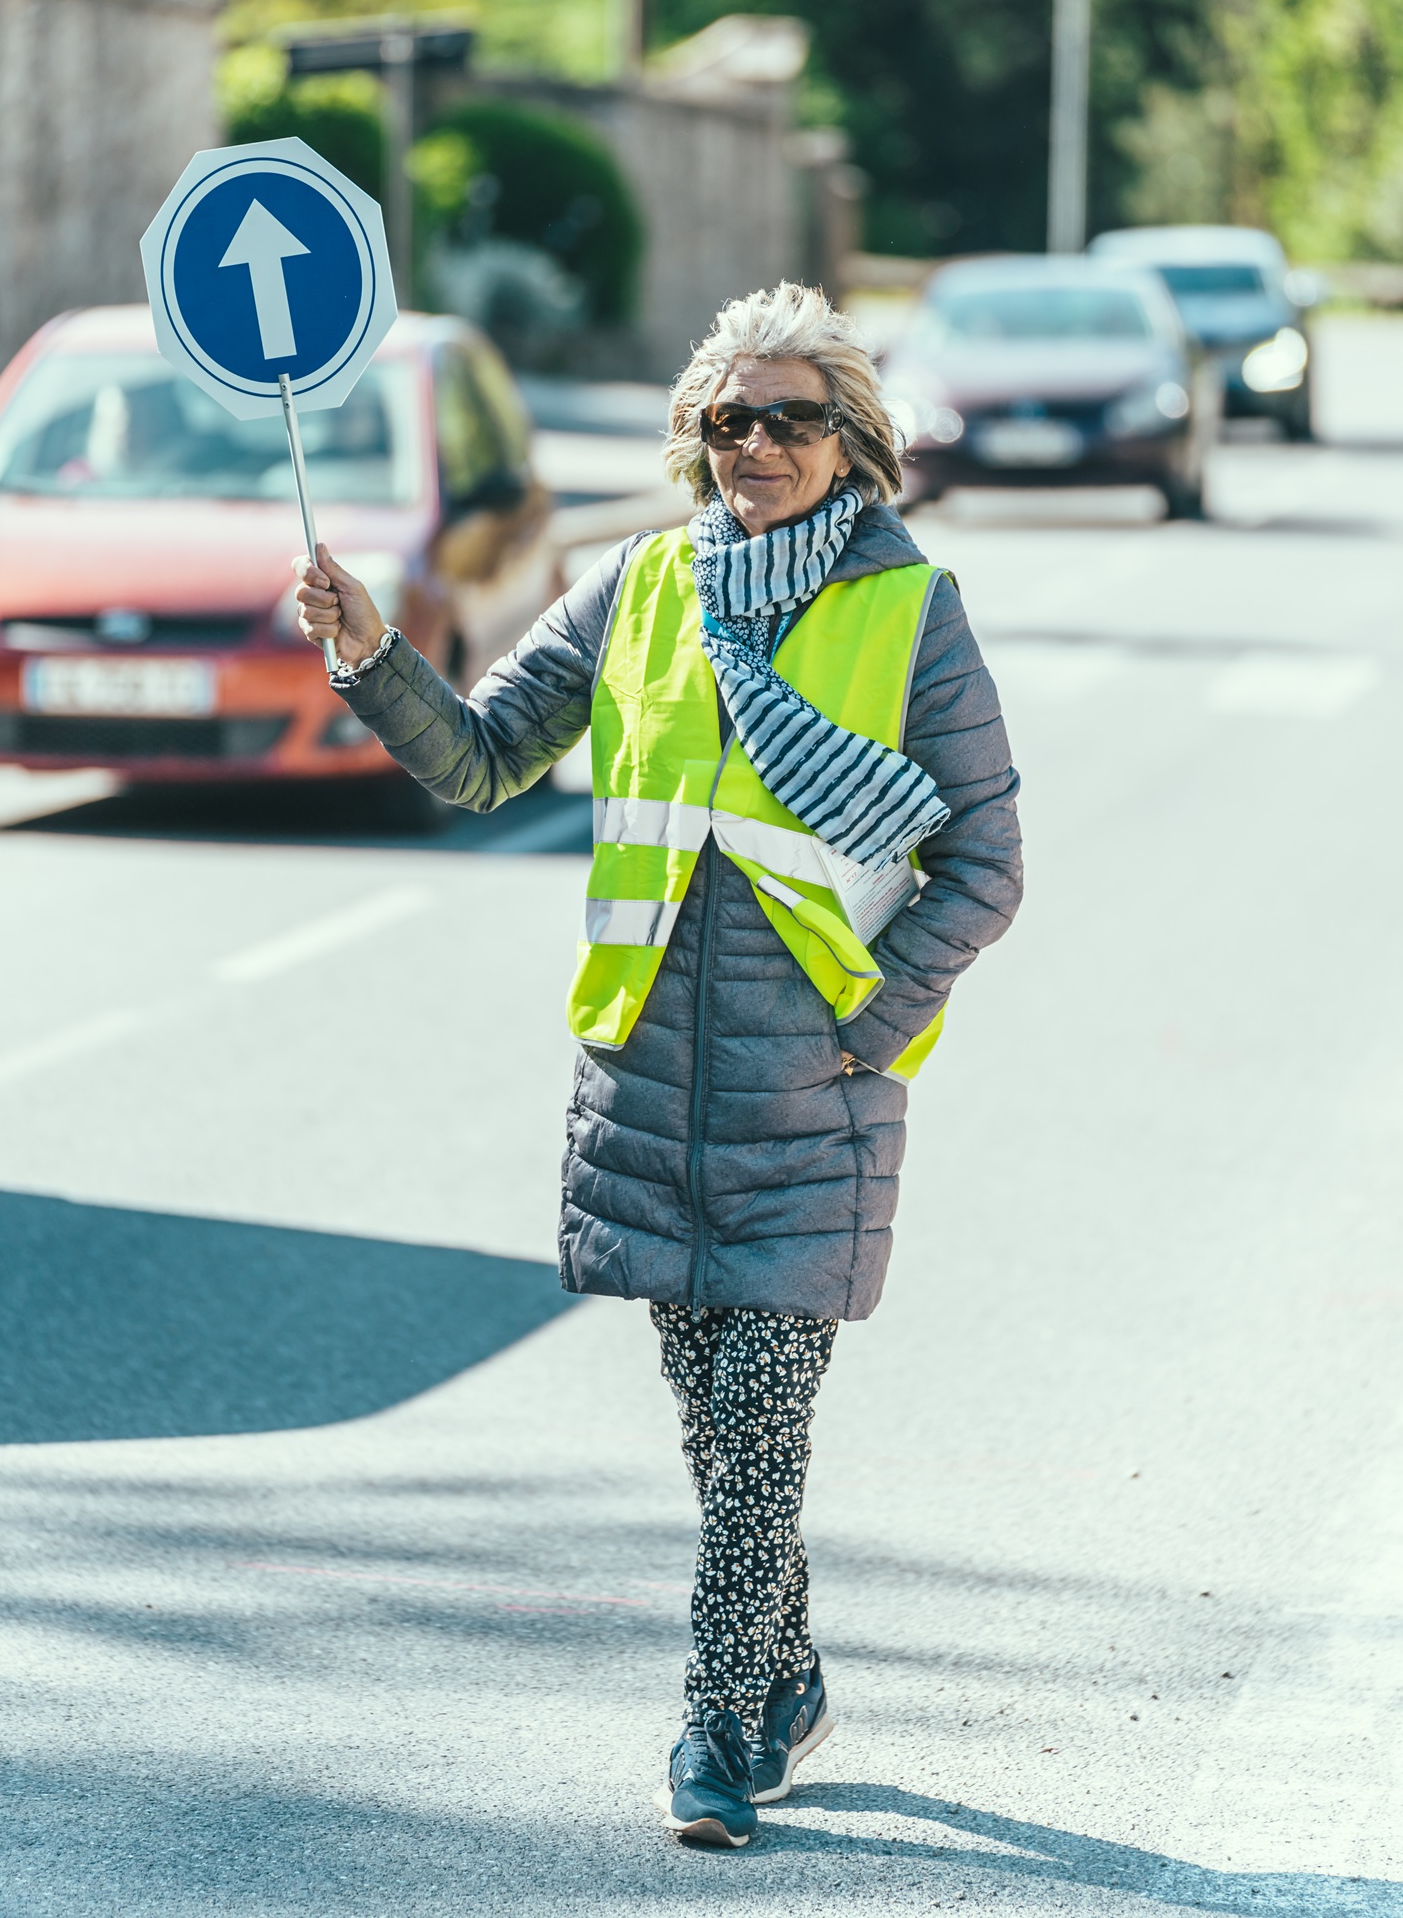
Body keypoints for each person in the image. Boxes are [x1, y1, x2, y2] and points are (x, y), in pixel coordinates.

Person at [295, 281, 1023, 1850]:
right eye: (730, 420)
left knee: (760, 1430)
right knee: (719, 1438)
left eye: (792, 419)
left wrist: (865, 1029)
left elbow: (985, 862)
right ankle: (790, 1668)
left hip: (805, 1097)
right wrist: (374, 658)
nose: (758, 445)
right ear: (697, 436)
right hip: (640, 1092)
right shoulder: (641, 589)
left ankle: (713, 1731)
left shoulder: (910, 610)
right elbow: (486, 760)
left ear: (850, 440)